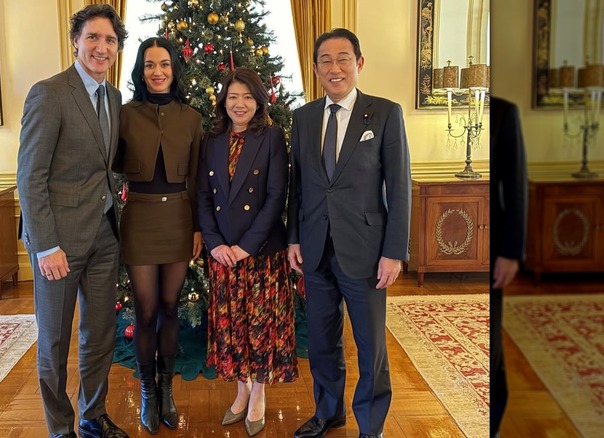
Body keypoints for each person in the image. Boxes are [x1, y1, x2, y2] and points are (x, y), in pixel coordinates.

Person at [286, 28, 411, 438]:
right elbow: (298, 186)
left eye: (343, 59)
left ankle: (370, 427)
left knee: (370, 346)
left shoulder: (386, 113)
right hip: (315, 249)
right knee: (322, 341)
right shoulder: (303, 118)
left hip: (367, 252)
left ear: (359, 64)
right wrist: (293, 237)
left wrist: (394, 252)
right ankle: (328, 412)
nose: (334, 67)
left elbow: (399, 186)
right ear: (316, 68)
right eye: (325, 60)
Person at [16, 5, 128, 438]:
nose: (102, 47)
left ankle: (92, 416)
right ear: (76, 41)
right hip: (58, 244)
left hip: (104, 236)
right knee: (54, 342)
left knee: (99, 335)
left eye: (110, 40)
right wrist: (46, 246)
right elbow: (30, 176)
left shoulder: (113, 97)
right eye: (93, 37)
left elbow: (105, 164)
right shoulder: (49, 93)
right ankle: (61, 428)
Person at [198, 67, 298, 437]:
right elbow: (202, 196)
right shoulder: (212, 139)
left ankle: (258, 393)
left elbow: (276, 197)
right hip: (223, 255)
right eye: (233, 97)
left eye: (247, 97)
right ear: (223, 101)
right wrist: (215, 244)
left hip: (261, 253)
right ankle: (241, 390)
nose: (239, 104)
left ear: (258, 101)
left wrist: (245, 247)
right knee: (233, 329)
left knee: (260, 328)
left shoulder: (271, 136)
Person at [112, 36, 203, 434]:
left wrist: (197, 226)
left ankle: (167, 389)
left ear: (174, 69)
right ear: (140, 71)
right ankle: (147, 389)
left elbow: (197, 177)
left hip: (179, 219)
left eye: (164, 64)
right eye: (149, 64)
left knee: (170, 305)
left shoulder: (191, 117)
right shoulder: (125, 114)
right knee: (146, 310)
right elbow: (112, 164)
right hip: (140, 218)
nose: (157, 71)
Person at [489, 96, 527, 437]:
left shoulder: (504, 112)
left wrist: (511, 252)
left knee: (494, 345)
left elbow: (516, 186)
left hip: (497, 247)